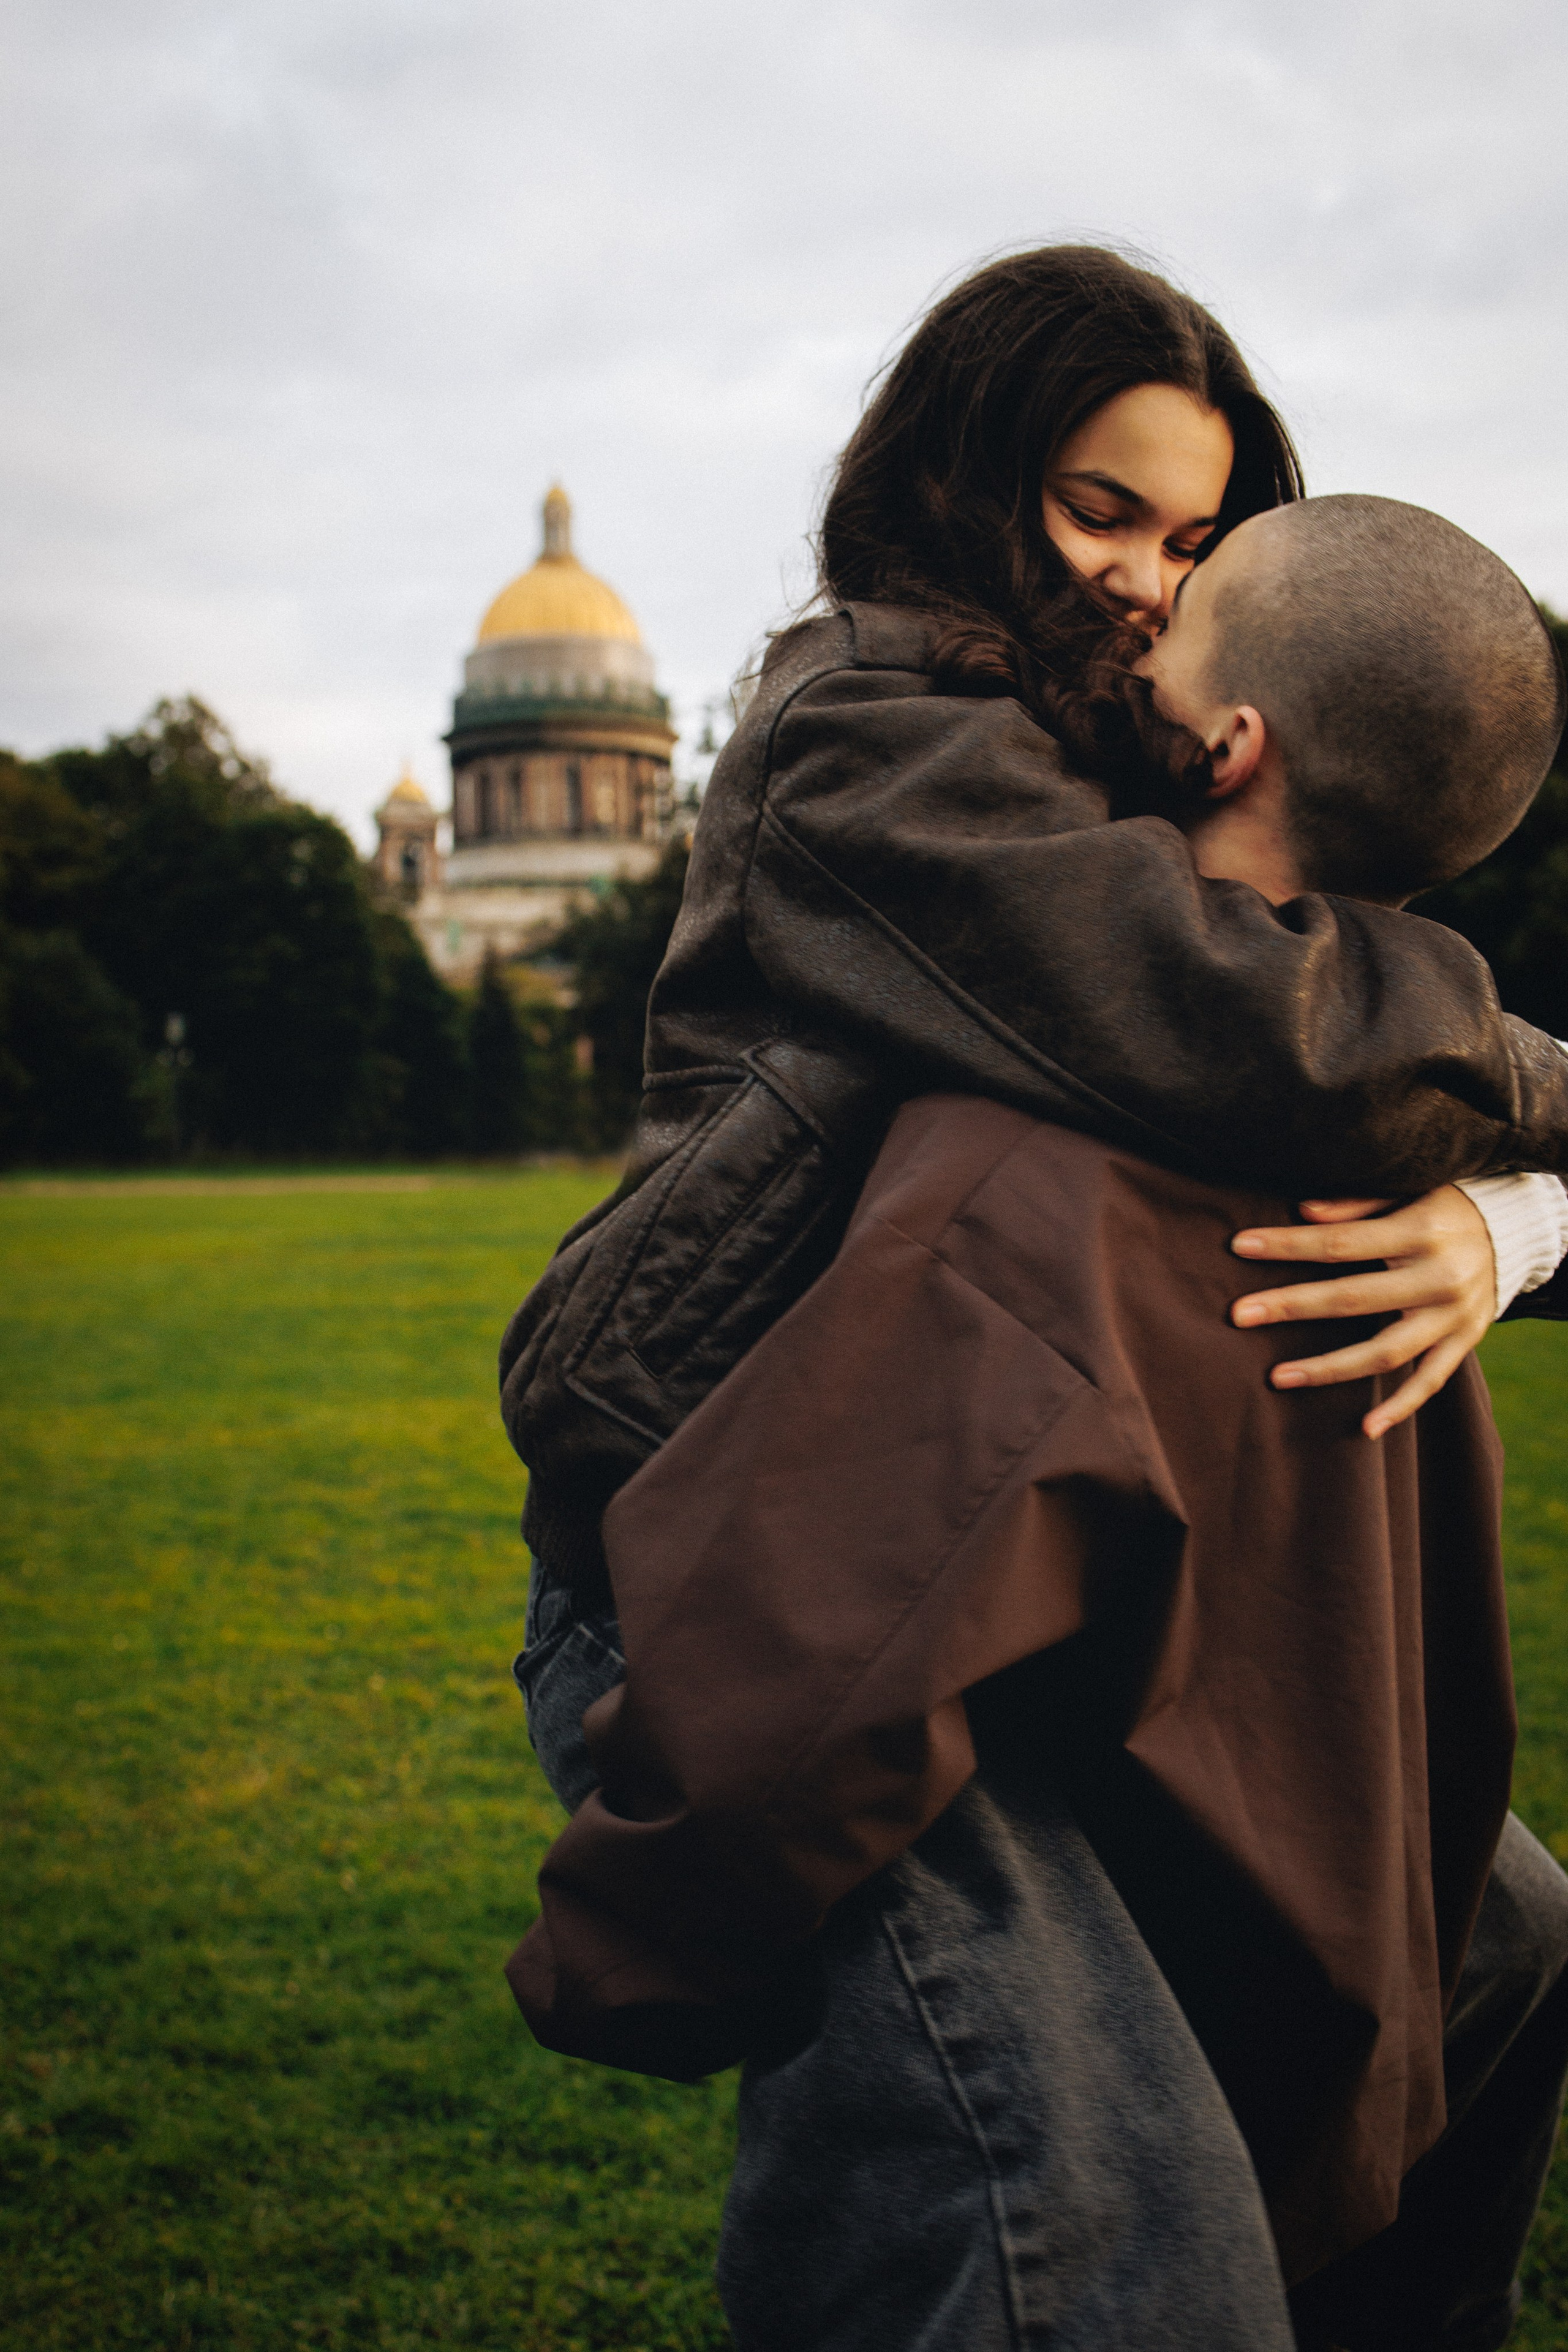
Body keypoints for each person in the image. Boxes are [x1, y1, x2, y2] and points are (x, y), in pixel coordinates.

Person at [509, 496, 1568, 2352]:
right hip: (1310, 1914)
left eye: (1185, 598)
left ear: (1224, 735)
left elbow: (838, 1630)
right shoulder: (1416, 1190)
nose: (1134, 619)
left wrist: (623, 1942)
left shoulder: (1039, 1167)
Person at [502, 247, 1568, 1815]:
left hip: (1023, 1564)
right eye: (1098, 512)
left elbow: (1332, 1047)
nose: (1145, 579)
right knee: (1082, 2067)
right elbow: (1256, 1026)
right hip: (718, 1560)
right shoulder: (865, 739)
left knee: (1483, 1964)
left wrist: (1512, 1225)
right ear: (967, 487)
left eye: (1191, 541)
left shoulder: (1147, 765)